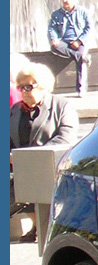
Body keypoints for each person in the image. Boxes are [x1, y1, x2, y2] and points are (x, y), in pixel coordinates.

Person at [10, 63, 79, 242]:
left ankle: (47, 228)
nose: (23, 92)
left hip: (51, 166)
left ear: (43, 86)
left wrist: (32, 157)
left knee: (36, 179)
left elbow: (66, 137)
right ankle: (36, 227)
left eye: (28, 86)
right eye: (20, 87)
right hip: (21, 169)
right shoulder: (14, 111)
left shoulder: (62, 106)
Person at [48, 0, 92, 96]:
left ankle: (81, 89)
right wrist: (53, 38)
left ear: (74, 0)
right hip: (63, 42)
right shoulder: (56, 14)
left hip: (79, 42)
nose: (65, 1)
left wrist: (79, 41)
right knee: (55, 47)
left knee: (80, 58)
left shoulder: (83, 12)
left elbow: (89, 28)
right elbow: (51, 28)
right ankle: (82, 57)